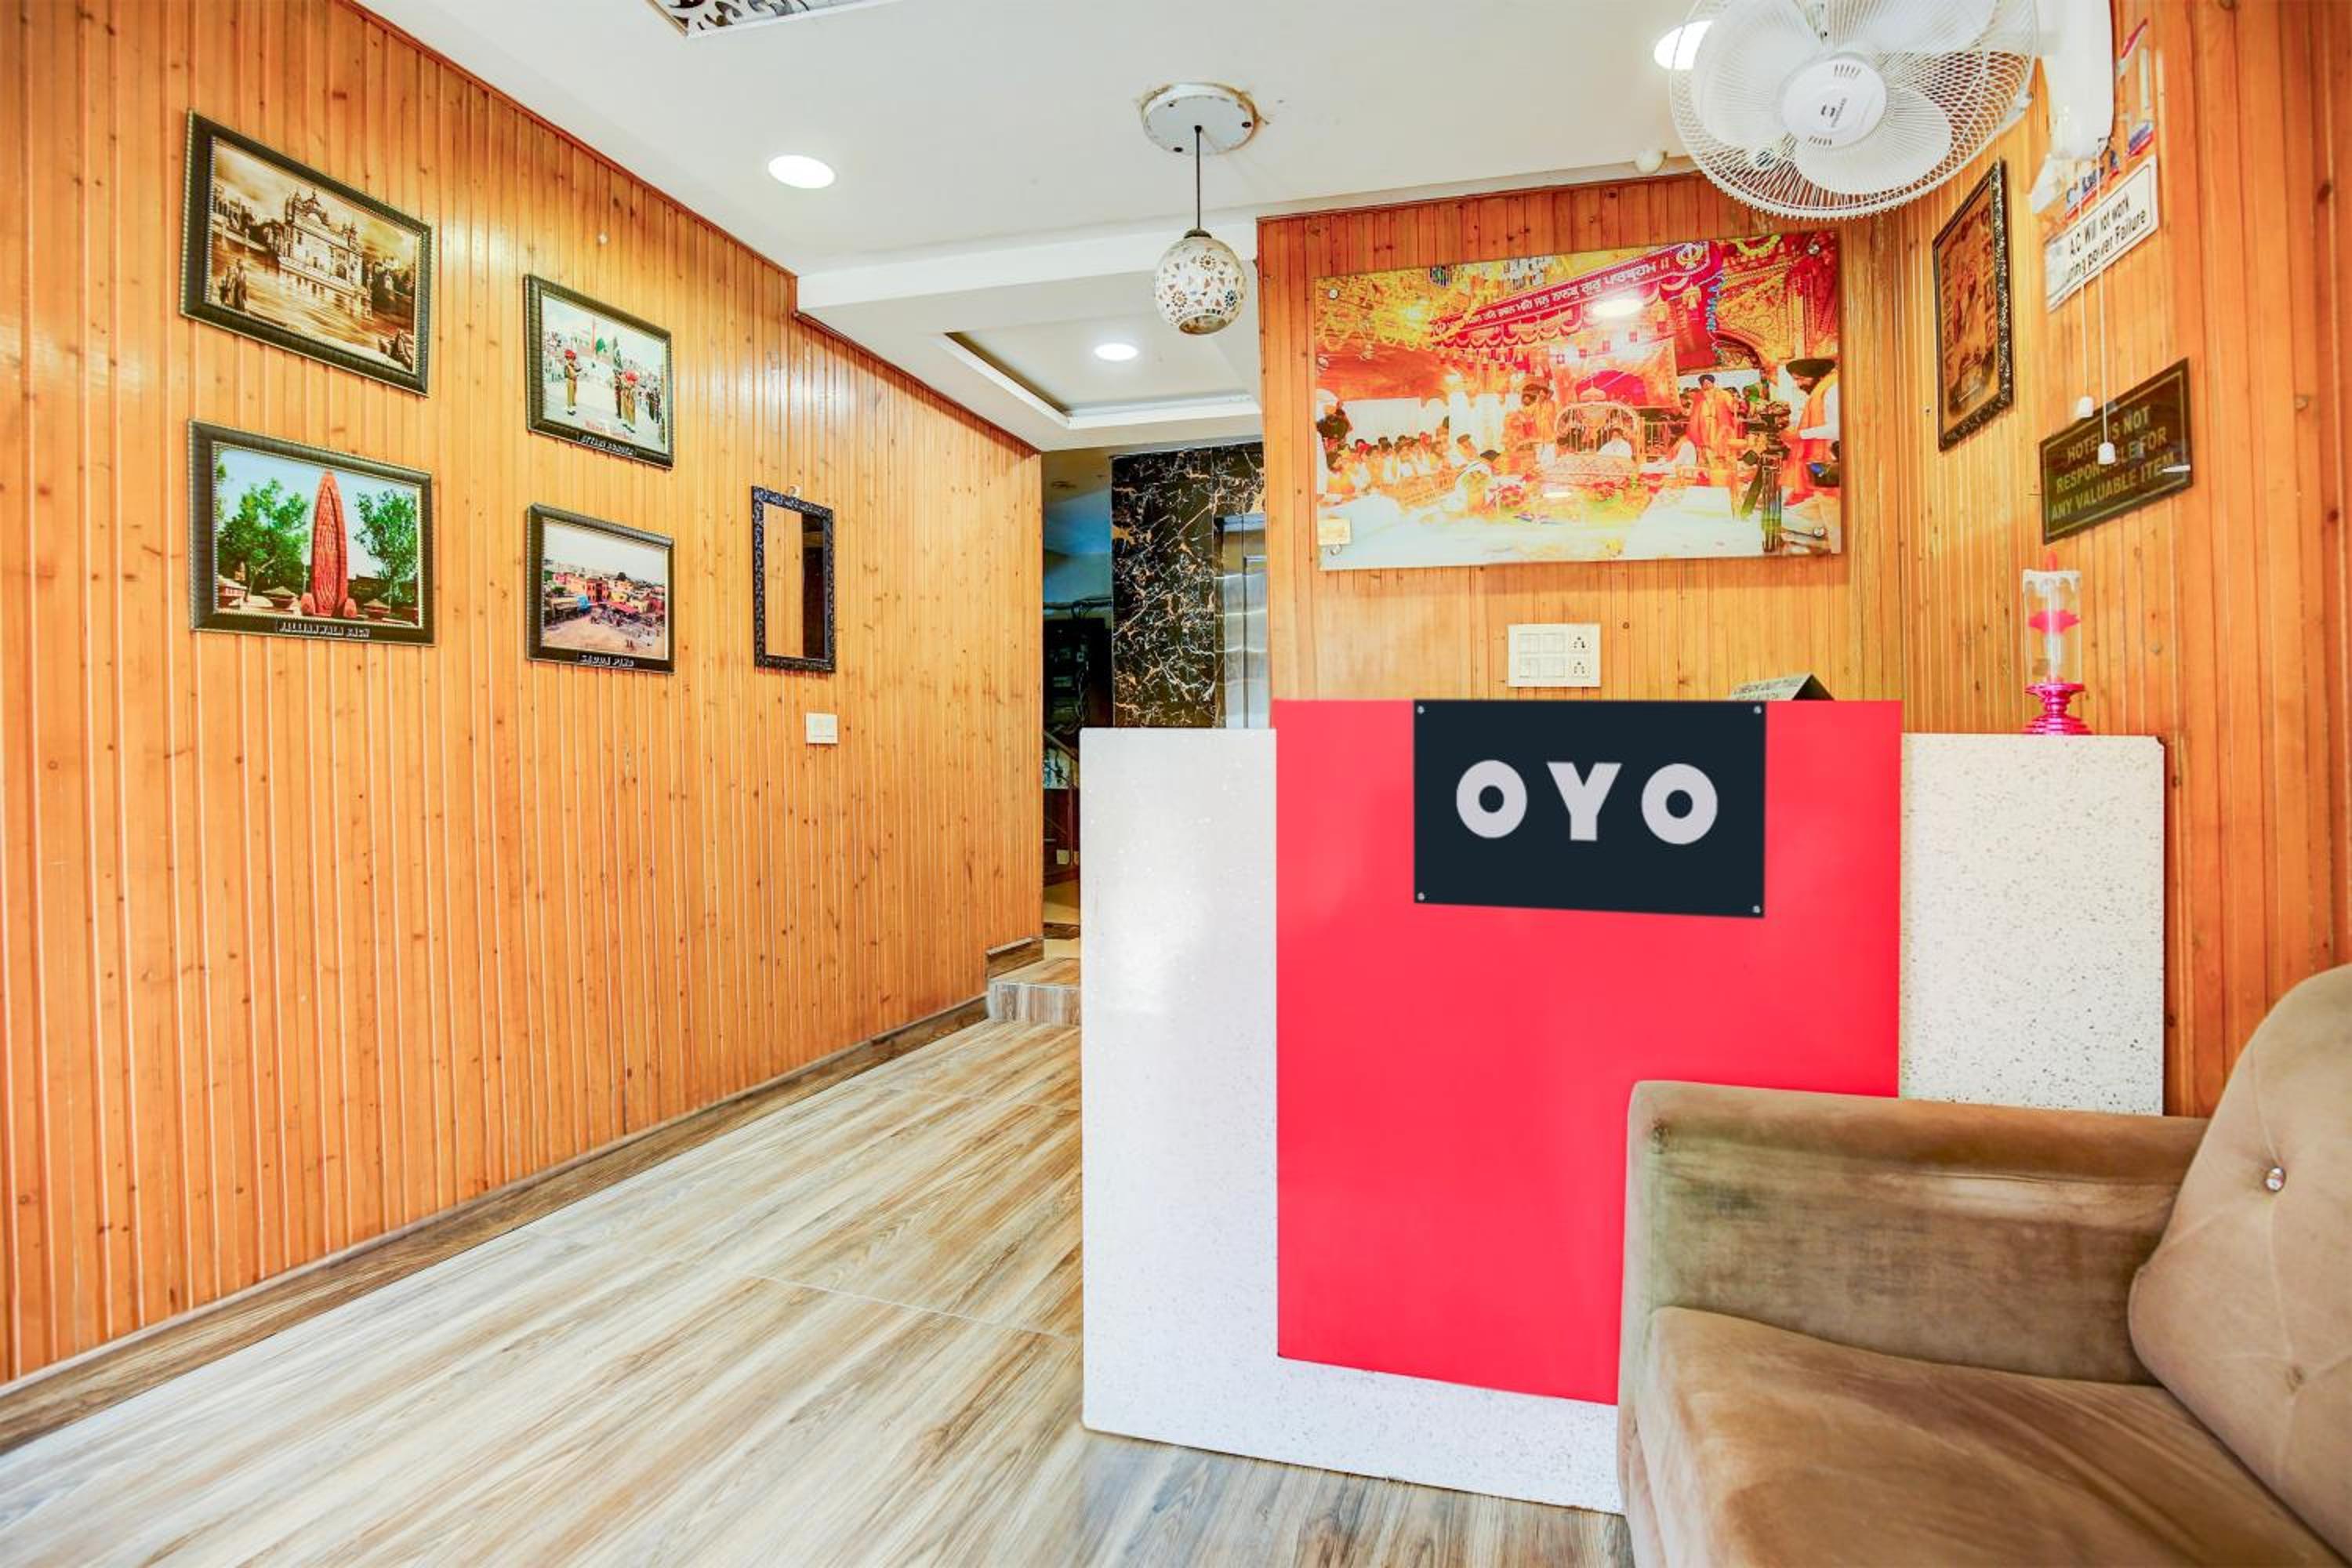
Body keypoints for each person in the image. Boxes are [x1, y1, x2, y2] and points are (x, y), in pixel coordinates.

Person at [1782, 357, 1839, 503]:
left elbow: (1838, 428)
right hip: (1826, 457)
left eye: (1801, 379)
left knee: (1829, 501)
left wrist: (1800, 435)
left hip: (1833, 456)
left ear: (1815, 374)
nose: (1799, 384)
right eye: (1796, 380)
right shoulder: (1821, 389)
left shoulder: (1833, 389)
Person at [1683, 372, 1743, 488]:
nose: (1706, 385)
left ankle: (1719, 474)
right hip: (1703, 425)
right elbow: (1693, 411)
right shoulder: (1698, 396)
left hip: (1718, 424)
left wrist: (1735, 402)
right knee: (1704, 448)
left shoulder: (1723, 393)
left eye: (1708, 382)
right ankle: (1704, 475)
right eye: (1704, 383)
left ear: (1712, 382)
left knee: (1718, 447)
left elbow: (1732, 407)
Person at [561, 347, 581, 414]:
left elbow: (576, 370)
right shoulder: (568, 366)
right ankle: (570, 409)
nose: (572, 360)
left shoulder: (572, 366)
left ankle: (572, 408)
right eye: (571, 359)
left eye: (572, 359)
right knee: (570, 394)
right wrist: (574, 375)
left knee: (573, 395)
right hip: (571, 381)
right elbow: (567, 375)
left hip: (574, 381)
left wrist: (578, 370)